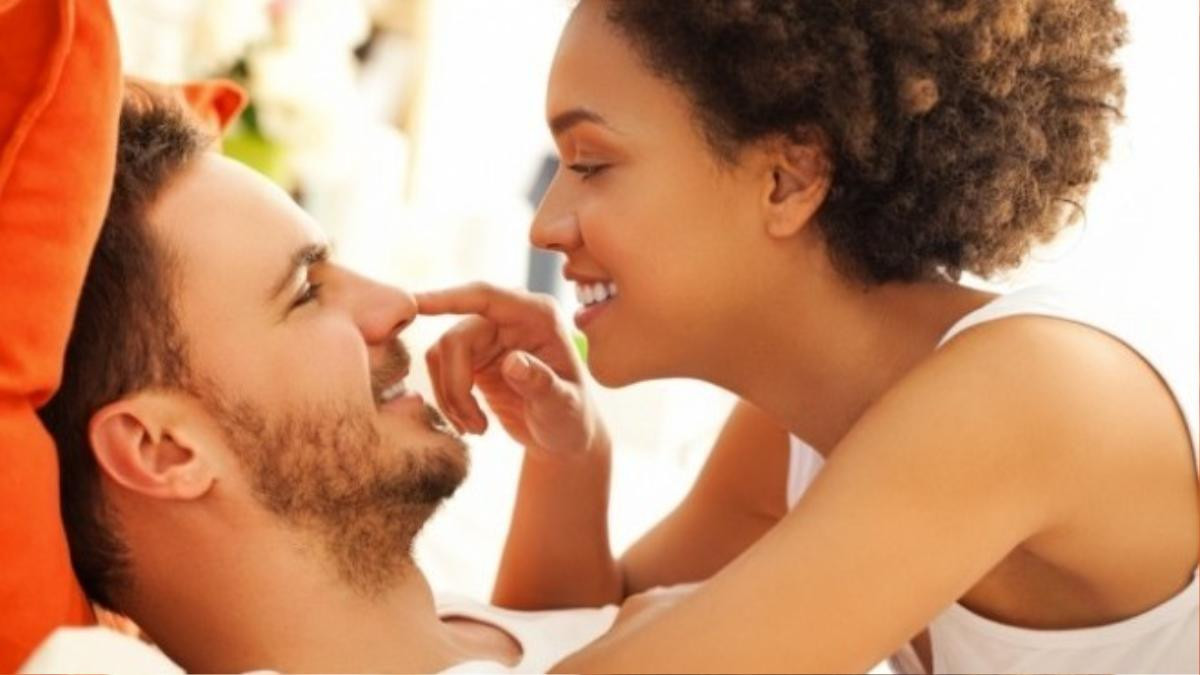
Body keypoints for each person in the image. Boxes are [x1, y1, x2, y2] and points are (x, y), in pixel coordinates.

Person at [417, 0, 1199, 672]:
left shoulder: (1026, 392)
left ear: (787, 181)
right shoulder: (795, 436)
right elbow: (565, 636)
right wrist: (569, 458)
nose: (547, 226)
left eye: (591, 162)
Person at [31, 84, 617, 674]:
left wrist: (572, 460)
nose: (397, 303)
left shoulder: (472, 631)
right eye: (306, 292)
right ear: (162, 448)